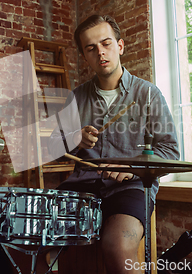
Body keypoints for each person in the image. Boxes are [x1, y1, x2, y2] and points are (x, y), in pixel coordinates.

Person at [49, 14, 180, 274]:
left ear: (120, 46)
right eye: (91, 48)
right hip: (81, 188)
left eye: (106, 44)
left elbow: (170, 152)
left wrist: (132, 167)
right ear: (85, 56)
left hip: (130, 188)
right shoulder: (75, 97)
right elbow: (55, 149)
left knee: (117, 244)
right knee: (25, 235)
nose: (100, 52)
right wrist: (75, 139)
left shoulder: (148, 94)